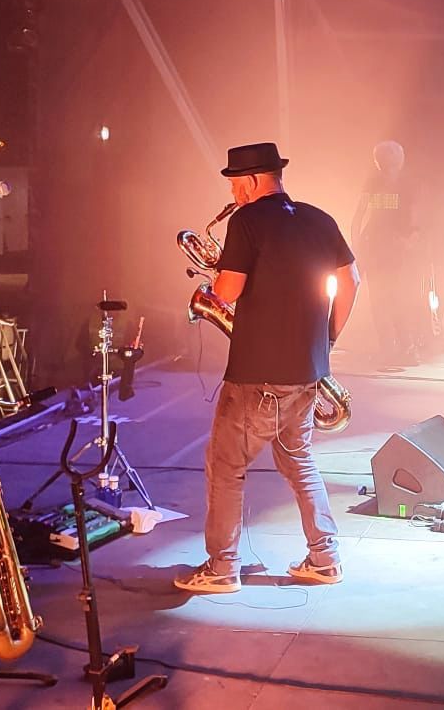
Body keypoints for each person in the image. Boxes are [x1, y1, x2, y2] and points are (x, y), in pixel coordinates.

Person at [175, 142, 361, 594]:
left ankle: (222, 568)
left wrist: (217, 274)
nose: (233, 194)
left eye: (236, 184)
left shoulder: (247, 221)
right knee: (299, 461)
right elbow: (352, 280)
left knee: (226, 467)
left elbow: (227, 292)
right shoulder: (319, 218)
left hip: (256, 375)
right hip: (307, 371)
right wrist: (327, 339)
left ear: (254, 180)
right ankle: (325, 558)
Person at [351, 141, 424, 365]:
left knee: (397, 298)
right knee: (379, 300)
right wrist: (356, 246)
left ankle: (407, 348)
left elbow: (416, 217)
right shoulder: (372, 184)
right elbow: (359, 215)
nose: (389, 164)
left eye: (393, 159)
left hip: (396, 249)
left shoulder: (407, 185)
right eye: (385, 159)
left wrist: (410, 240)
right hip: (376, 248)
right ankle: (390, 349)